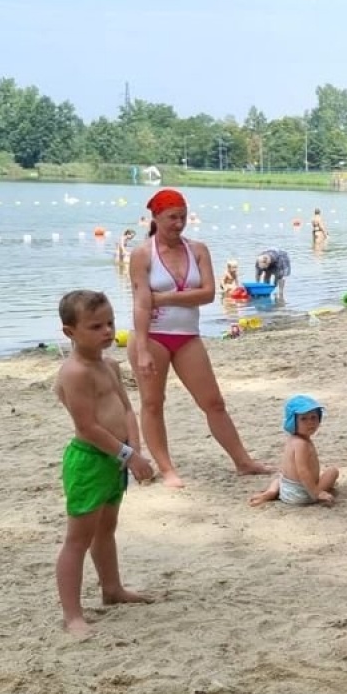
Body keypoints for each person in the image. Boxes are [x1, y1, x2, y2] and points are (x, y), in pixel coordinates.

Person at [128, 189, 268, 487]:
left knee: (213, 401)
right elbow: (140, 303)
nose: (178, 224)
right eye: (172, 218)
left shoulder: (198, 250)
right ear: (155, 217)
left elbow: (207, 294)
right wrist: (141, 349)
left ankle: (243, 461)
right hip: (152, 335)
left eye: (182, 217)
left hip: (187, 335)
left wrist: (163, 297)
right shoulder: (142, 254)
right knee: (153, 403)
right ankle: (167, 469)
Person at [54, 290, 156, 639]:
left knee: (106, 529)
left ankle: (112, 589)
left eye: (110, 323)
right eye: (96, 326)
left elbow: (126, 409)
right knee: (78, 538)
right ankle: (72, 615)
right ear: (70, 332)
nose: (108, 331)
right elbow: (87, 427)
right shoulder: (75, 372)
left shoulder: (109, 365)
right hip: (90, 461)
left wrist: (135, 449)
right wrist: (128, 455)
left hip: (117, 457)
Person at [249, 395, 340, 507]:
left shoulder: (292, 440)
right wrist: (317, 493)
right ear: (293, 422)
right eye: (303, 419)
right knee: (332, 471)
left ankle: (271, 491)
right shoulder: (302, 444)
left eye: (313, 417)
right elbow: (303, 471)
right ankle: (314, 493)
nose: (310, 422)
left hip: (285, 489)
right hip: (301, 494)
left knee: (280, 477)